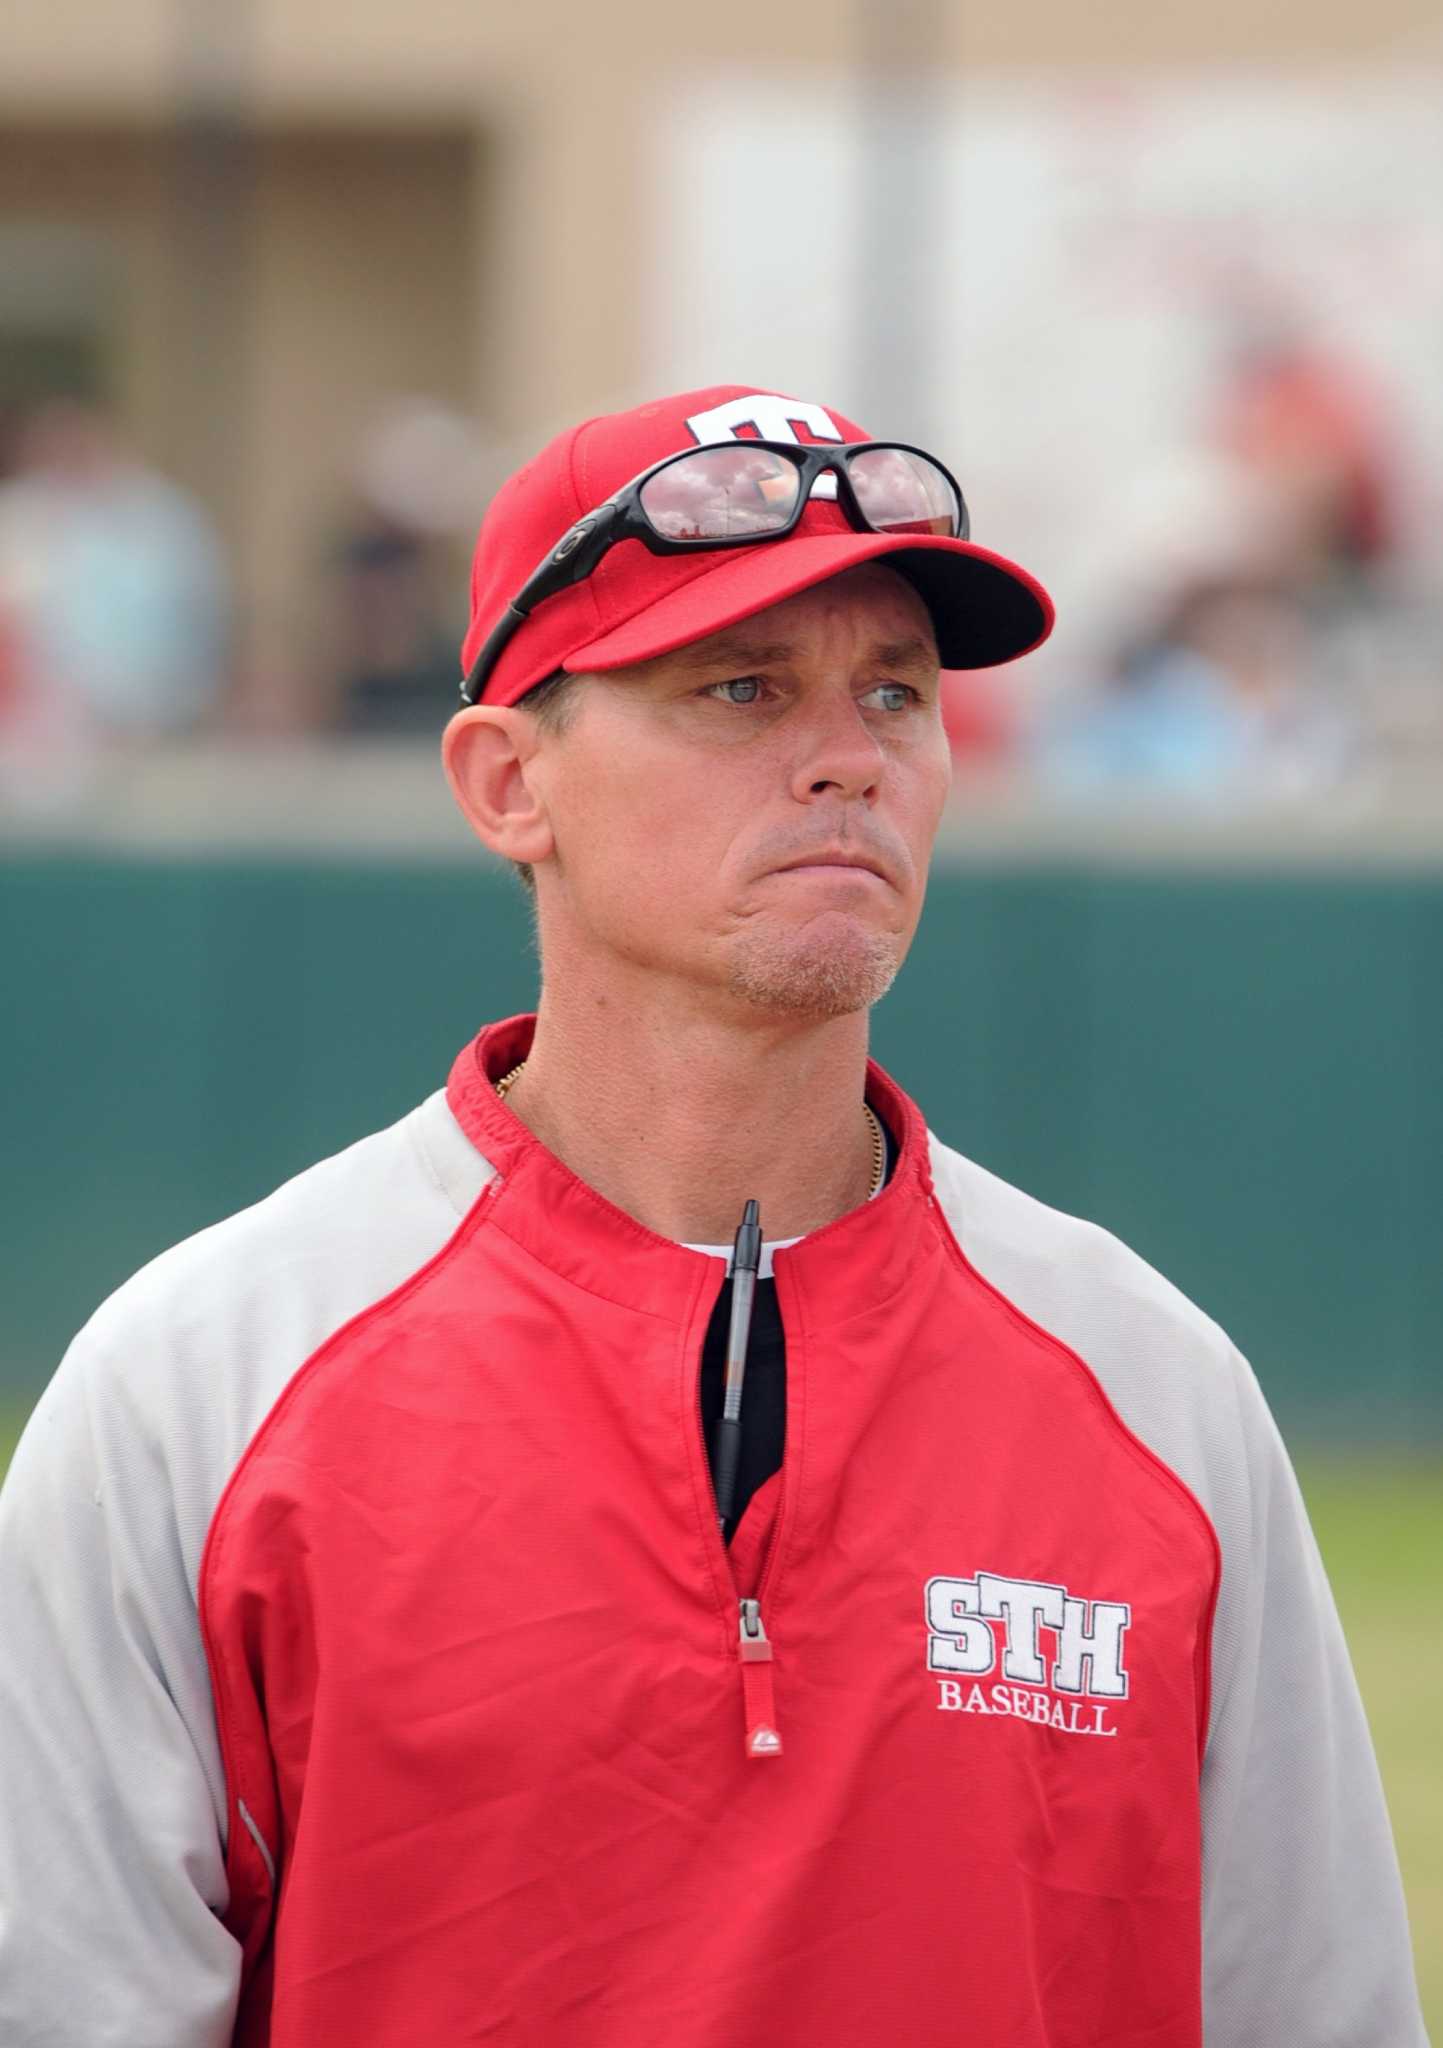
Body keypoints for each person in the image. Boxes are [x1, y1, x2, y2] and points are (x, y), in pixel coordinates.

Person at [0, 385, 1426, 2047]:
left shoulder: (1155, 1390)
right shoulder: (203, 1385)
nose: (848, 756)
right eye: (740, 687)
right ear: (506, 784)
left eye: (896, 690)